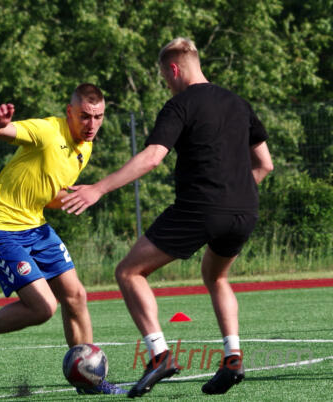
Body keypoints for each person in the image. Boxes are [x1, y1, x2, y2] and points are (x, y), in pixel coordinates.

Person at [62, 38, 274, 397]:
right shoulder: (239, 103)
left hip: (201, 207)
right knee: (216, 276)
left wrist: (98, 188)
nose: (167, 84)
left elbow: (152, 157)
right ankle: (233, 359)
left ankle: (159, 355)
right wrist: (233, 194)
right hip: (245, 209)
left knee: (129, 272)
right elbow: (265, 164)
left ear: (173, 69)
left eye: (165, 77)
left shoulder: (181, 104)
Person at [0, 84, 125, 394]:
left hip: (36, 226)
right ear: (69, 112)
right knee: (43, 307)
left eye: (98, 117)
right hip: (1, 229)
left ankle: (89, 379)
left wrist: (77, 197)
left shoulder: (84, 148)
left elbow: (48, 195)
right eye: (85, 116)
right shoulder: (47, 130)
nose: (92, 124)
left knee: (76, 296)